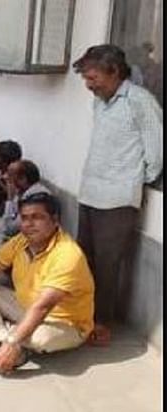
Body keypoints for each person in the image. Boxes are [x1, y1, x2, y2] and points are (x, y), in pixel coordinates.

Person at [72, 44, 163, 343]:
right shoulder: (100, 102)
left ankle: (100, 323)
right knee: (83, 260)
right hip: (90, 192)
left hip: (117, 199)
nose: (89, 85)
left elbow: (156, 151)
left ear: (113, 72)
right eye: (86, 79)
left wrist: (135, 181)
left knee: (107, 266)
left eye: (93, 78)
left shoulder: (140, 101)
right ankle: (80, 316)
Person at [0, 193, 95, 375]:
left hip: (64, 322)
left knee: (41, 339)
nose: (29, 224)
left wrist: (13, 340)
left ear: (55, 220)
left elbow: (43, 307)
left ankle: (10, 338)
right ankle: (6, 339)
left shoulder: (68, 254)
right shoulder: (20, 241)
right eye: (25, 218)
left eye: (37, 217)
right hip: (25, 306)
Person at [1, 160, 50, 238]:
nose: (5, 176)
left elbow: (9, 229)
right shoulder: (22, 192)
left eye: (10, 175)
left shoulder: (36, 200)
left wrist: (10, 199)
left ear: (23, 179)